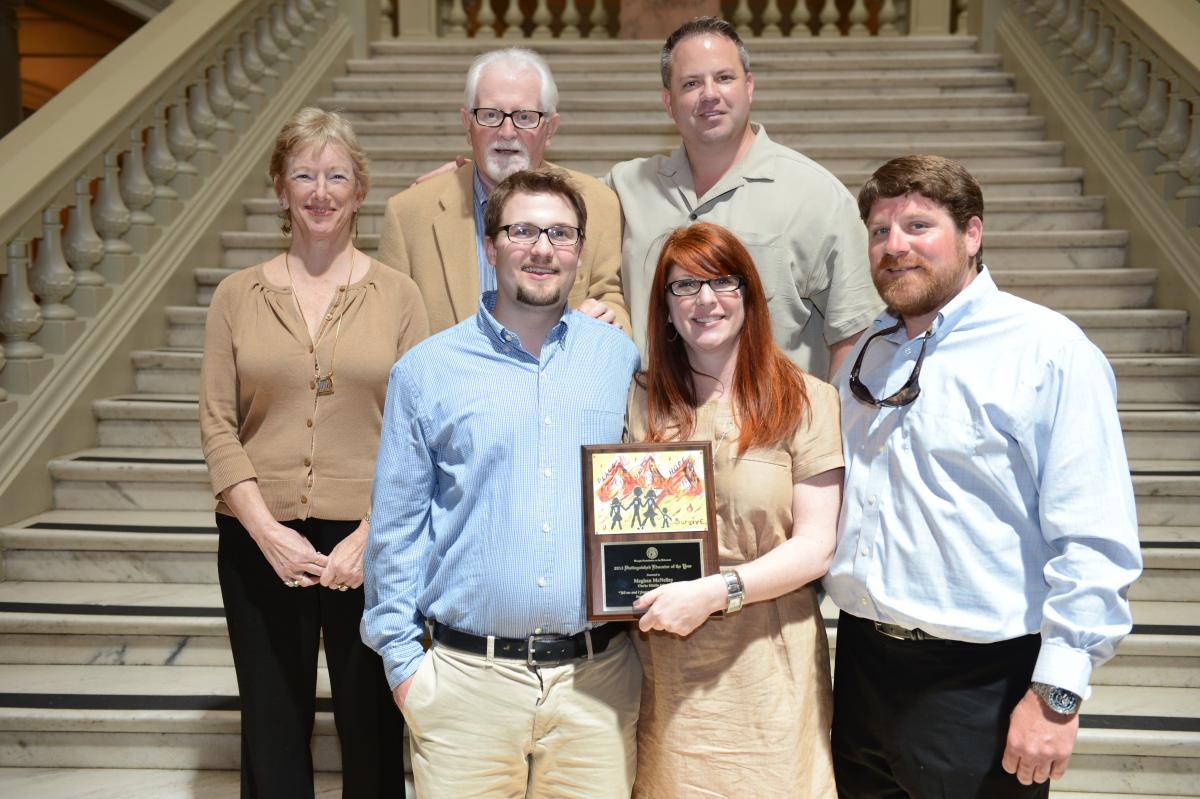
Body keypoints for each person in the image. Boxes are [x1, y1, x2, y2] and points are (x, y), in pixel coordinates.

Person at [826, 154, 1143, 798]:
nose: (895, 247)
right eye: (880, 231)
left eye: (919, 226)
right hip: (861, 665)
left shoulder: (1049, 351)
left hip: (980, 683)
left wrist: (1056, 696)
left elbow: (1096, 540)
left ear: (972, 235)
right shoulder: (865, 355)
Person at [363, 167, 642, 798]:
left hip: (595, 686)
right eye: (522, 231)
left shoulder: (617, 359)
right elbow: (395, 530)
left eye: (561, 234)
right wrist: (407, 670)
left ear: (579, 249)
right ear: (491, 246)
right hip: (467, 688)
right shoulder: (426, 372)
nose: (543, 249)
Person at [200, 107, 427, 799]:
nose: (320, 191)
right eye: (304, 174)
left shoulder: (400, 295)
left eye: (336, 175)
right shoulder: (237, 297)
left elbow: (418, 432)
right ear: (280, 188)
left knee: (372, 734)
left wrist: (371, 536)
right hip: (259, 541)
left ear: (359, 190)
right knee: (271, 730)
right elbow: (217, 425)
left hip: (371, 544)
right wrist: (265, 531)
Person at [625, 222, 844, 798]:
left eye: (722, 282)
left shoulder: (807, 400)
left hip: (771, 666)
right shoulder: (637, 400)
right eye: (684, 286)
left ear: (748, 295)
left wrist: (717, 591)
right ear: (665, 308)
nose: (705, 300)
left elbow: (817, 545)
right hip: (664, 669)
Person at [606, 16, 882, 378]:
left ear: (749, 86)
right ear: (668, 102)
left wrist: (834, 429)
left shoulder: (816, 195)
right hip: (657, 425)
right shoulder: (624, 188)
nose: (709, 94)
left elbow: (855, 332)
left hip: (772, 427)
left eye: (724, 78)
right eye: (691, 83)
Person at [377, 47, 630, 336]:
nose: (507, 132)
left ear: (550, 129)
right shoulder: (408, 214)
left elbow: (611, 298)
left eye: (524, 117)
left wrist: (608, 318)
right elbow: (388, 330)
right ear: (467, 124)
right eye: (490, 115)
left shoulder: (597, 203)